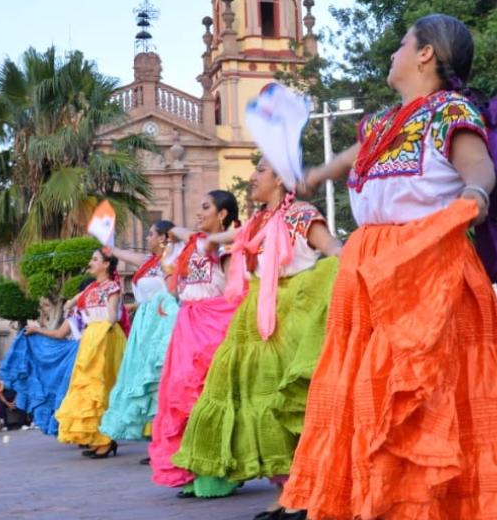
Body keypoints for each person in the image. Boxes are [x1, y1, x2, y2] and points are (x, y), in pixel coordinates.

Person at [281, 14, 497, 519]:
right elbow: (350, 158)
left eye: (402, 43)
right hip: (370, 269)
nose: (393, 53)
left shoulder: (449, 110)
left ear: (425, 54)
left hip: (426, 266)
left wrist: (476, 191)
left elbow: (477, 163)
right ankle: (384, 501)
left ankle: (433, 505)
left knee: (426, 392)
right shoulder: (379, 123)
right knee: (372, 389)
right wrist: (313, 175)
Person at [172, 159, 342, 515]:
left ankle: (309, 489)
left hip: (294, 316)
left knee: (291, 402)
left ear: (280, 177)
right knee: (256, 400)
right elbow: (231, 236)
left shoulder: (301, 214)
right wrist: (204, 241)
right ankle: (290, 489)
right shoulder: (258, 221)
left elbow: (335, 252)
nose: (252, 177)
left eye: (260, 170)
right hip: (257, 318)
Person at [149, 190, 244, 495]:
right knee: (180, 398)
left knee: (209, 397)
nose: (199, 212)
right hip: (187, 327)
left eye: (206, 207)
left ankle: (219, 472)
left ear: (223, 215)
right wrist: (191, 233)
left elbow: (234, 290)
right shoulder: (194, 244)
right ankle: (191, 467)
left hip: (213, 324)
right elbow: (174, 231)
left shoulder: (226, 244)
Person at [99, 220, 182, 443]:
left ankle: (169, 437)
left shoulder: (171, 262)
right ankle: (159, 436)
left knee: (159, 374)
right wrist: (109, 247)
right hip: (146, 321)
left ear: (164, 238)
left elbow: (172, 292)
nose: (147, 238)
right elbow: (124, 255)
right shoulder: (150, 262)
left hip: (163, 321)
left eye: (151, 234)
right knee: (146, 377)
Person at [53, 249, 126, 458]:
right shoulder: (92, 288)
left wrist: (103, 329)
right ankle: (97, 437)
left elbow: (112, 315)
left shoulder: (112, 286)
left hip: (104, 337)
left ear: (106, 265)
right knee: (88, 389)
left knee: (101, 387)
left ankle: (106, 439)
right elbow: (72, 302)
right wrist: (70, 305)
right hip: (91, 337)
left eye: (95, 259)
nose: (90, 262)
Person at [6, 281, 90, 437]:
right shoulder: (79, 311)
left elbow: (59, 334)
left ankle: (88, 433)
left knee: (77, 393)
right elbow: (59, 334)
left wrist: (37, 330)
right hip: (86, 352)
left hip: (81, 354)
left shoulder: (76, 311)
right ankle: (89, 433)